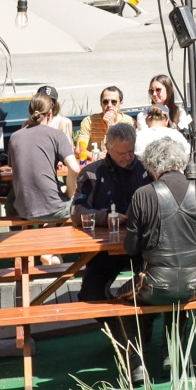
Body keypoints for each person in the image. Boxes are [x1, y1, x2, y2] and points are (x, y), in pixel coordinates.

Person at [120, 133, 196, 380]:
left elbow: (130, 249)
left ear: (152, 166)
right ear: (181, 162)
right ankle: (171, 354)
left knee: (120, 298)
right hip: (195, 284)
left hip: (153, 285)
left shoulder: (143, 195)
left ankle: (137, 363)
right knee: (179, 294)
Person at [72, 122, 152, 301]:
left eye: (131, 151)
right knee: (90, 296)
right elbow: (77, 211)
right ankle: (116, 327)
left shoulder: (146, 169)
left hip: (141, 246)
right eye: (121, 153)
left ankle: (140, 326)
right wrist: (104, 216)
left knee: (147, 291)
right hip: (103, 251)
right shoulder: (91, 173)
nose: (127, 157)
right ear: (107, 148)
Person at [6, 93, 77, 223]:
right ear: (50, 113)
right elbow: (75, 169)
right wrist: (69, 193)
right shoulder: (57, 135)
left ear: (29, 111)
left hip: (25, 210)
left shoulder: (14, 137)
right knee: (84, 200)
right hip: (55, 209)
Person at [81, 86, 128, 155]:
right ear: (101, 104)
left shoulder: (128, 122)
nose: (109, 105)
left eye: (114, 102)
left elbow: (124, 150)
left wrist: (111, 126)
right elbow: (80, 149)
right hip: (96, 163)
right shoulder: (89, 121)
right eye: (105, 102)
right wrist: (95, 156)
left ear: (120, 104)